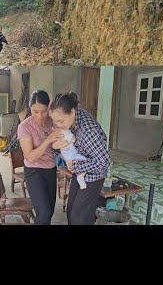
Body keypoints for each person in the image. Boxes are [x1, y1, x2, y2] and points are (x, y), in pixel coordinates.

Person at [50, 92, 110, 225]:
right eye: (55, 121)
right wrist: (56, 146)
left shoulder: (88, 130)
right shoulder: (72, 117)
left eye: (61, 121)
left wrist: (76, 166)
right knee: (72, 210)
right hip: (80, 172)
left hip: (94, 176)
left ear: (72, 112)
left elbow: (104, 161)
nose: (58, 125)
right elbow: (64, 148)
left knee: (79, 216)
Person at [17, 90, 64, 225]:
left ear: (49, 107)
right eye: (35, 111)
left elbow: (58, 145)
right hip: (34, 172)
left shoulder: (52, 121)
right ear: (30, 108)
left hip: (50, 169)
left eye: (43, 111)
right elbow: (30, 157)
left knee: (50, 210)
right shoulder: (25, 127)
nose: (40, 115)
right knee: (44, 212)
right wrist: (48, 140)